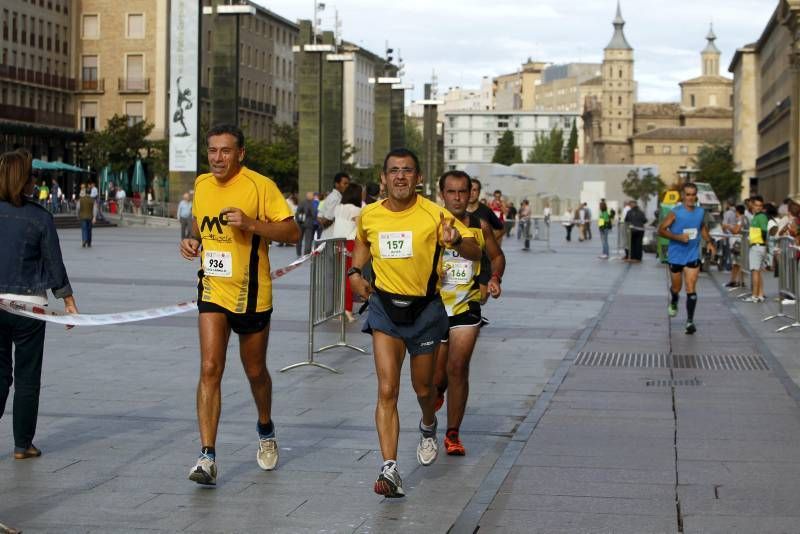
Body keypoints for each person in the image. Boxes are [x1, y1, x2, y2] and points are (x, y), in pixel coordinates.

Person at [348, 148, 480, 498]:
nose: (401, 176)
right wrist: (353, 272)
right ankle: (389, 468)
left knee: (424, 390)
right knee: (387, 389)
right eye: (394, 171)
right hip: (384, 310)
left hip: (424, 312)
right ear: (384, 178)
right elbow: (362, 245)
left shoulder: (435, 214)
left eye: (408, 170)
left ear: (418, 178)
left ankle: (428, 424)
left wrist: (455, 240)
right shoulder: (371, 215)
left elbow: (475, 250)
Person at [179, 124, 299, 486]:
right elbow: (200, 222)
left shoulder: (259, 186)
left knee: (254, 371)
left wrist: (252, 224)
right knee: (210, 367)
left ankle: (265, 428)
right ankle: (207, 456)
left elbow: (292, 232)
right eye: (212, 150)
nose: (217, 158)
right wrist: (192, 241)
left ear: (240, 153)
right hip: (213, 289)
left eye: (225, 151)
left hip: (251, 293)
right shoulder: (201, 185)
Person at [0, 149, 79, 460]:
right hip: (29, 308)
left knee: (0, 373)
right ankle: (23, 445)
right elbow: (54, 265)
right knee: (28, 377)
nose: (36, 180)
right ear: (24, 180)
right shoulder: (40, 217)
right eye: (32, 175)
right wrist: (69, 303)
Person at [433, 170, 505, 456]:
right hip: (435, 308)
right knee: (436, 379)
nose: (458, 197)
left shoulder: (479, 226)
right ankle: (437, 395)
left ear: (471, 193)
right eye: (451, 192)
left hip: (466, 304)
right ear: (442, 195)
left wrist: (494, 278)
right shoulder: (429, 223)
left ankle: (453, 433)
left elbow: (497, 256)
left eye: (463, 191)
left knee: (458, 368)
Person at [658, 182, 715, 334]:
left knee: (691, 288)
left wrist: (709, 242)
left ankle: (690, 321)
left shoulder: (700, 212)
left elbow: (701, 227)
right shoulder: (675, 212)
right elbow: (661, 230)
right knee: (677, 287)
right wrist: (677, 237)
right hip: (676, 255)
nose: (690, 197)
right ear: (683, 196)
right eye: (687, 194)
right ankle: (674, 299)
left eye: (693, 194)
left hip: (692, 254)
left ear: (696, 195)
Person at [332, 183, 363, 322]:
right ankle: (348, 310)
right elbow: (361, 228)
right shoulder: (357, 210)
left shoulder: (338, 208)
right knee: (350, 279)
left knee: (339, 279)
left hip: (336, 244)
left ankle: (339, 310)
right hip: (350, 244)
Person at [742, 195, 768, 303]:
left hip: (757, 246)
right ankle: (760, 294)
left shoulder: (761, 217)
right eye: (756, 205)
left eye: (760, 205)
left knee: (755, 271)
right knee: (758, 271)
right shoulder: (756, 216)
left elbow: (764, 232)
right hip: (758, 246)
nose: (758, 207)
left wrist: (761, 243)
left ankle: (754, 296)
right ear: (752, 205)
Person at [317, 172, 350, 239]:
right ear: (337, 184)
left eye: (348, 184)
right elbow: (327, 220)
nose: (347, 186)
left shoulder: (332, 196)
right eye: (345, 183)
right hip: (331, 238)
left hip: (328, 236)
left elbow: (319, 217)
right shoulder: (336, 199)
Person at [724, 205, 746, 288]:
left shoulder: (741, 219)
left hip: (739, 244)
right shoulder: (743, 218)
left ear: (737, 211)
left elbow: (736, 231)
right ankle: (734, 280)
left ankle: (739, 281)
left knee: (738, 263)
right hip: (739, 244)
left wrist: (728, 227)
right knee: (737, 263)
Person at [295, 191, 317, 256]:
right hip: (309, 223)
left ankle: (298, 252)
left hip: (300, 223)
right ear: (310, 197)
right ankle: (306, 253)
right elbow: (313, 214)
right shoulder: (311, 203)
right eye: (313, 195)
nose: (313, 197)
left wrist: (298, 220)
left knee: (299, 238)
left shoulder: (301, 202)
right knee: (308, 239)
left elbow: (297, 213)